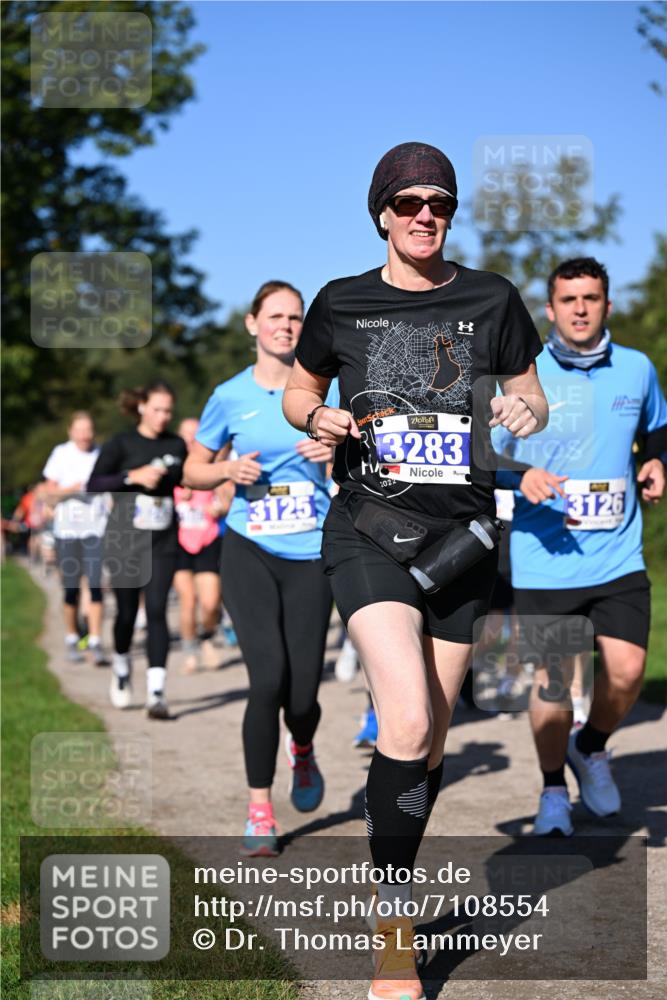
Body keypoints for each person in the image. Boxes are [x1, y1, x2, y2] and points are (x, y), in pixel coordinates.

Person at [282, 141, 547, 1000]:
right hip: (367, 529)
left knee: (428, 739)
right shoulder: (341, 302)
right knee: (402, 721)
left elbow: (532, 398)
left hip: (460, 541)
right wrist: (318, 414)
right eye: (407, 204)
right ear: (382, 214)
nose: (423, 214)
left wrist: (520, 408)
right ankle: (392, 930)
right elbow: (296, 389)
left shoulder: (491, 298)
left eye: (438, 202)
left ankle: (389, 839)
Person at [494, 257, 667, 837]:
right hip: (545, 559)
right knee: (552, 686)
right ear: (551, 309)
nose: (580, 308)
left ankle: (590, 747)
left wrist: (657, 463)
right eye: (569, 299)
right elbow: (479, 456)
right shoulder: (525, 375)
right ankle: (551, 791)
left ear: (607, 305)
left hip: (618, 555)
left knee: (627, 673)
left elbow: (657, 428)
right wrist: (520, 477)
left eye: (591, 298)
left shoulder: (637, 370)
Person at [184, 280, 335, 858]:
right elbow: (192, 469)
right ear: (252, 324)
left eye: (295, 317)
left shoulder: (327, 390)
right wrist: (227, 472)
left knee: (302, 694)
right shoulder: (228, 397)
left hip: (311, 552)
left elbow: (368, 453)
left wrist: (335, 450)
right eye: (275, 316)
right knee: (266, 679)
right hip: (248, 549)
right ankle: (259, 808)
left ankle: (302, 746)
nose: (287, 326)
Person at [88, 381, 187, 719]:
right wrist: (132, 476)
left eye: (168, 411)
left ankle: (156, 692)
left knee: (157, 609)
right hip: (125, 539)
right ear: (142, 406)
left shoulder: (176, 444)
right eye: (157, 409)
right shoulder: (121, 443)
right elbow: (95, 483)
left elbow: (186, 479)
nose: (163, 417)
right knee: (127, 614)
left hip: (162, 539)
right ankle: (120, 665)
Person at [41, 413, 109, 665]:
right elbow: (48, 493)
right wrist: (75, 488)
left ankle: (95, 640)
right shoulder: (61, 454)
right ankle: (72, 636)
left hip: (96, 529)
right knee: (71, 588)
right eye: (80, 430)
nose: (84, 435)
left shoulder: (101, 454)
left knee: (95, 585)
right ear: (70, 431)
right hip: (67, 530)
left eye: (88, 429)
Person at [173, 417, 230, 673]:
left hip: (207, 540)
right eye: (185, 435)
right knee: (188, 601)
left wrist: (218, 506)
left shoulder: (211, 466)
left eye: (194, 435)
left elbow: (227, 499)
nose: (189, 440)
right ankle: (190, 651)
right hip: (178, 542)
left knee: (210, 602)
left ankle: (206, 636)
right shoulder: (170, 466)